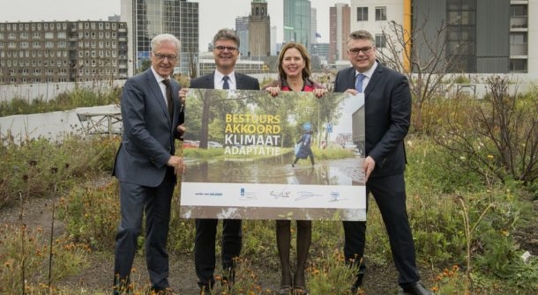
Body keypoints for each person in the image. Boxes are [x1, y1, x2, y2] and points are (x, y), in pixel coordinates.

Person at [334, 30, 432, 295]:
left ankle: (409, 281)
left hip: (386, 167)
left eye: (365, 48)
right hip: (352, 166)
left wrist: (374, 157)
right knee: (353, 225)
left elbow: (400, 125)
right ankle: (354, 278)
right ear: (348, 52)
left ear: (374, 50)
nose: (361, 54)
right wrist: (338, 103)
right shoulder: (342, 77)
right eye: (355, 50)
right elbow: (334, 118)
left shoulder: (395, 80)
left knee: (397, 223)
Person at [111, 33, 185, 295]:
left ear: (177, 59)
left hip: (162, 174)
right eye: (160, 55)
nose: (165, 60)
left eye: (171, 56)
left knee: (158, 232)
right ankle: (121, 287)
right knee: (130, 229)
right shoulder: (135, 84)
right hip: (136, 167)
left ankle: (160, 284)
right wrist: (168, 158)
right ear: (151, 56)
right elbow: (136, 130)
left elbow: (168, 128)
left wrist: (182, 129)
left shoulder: (175, 87)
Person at [188, 28, 260, 295]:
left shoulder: (251, 84)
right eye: (220, 47)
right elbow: (187, 125)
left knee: (233, 228)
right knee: (204, 228)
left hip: (238, 166)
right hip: (205, 167)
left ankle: (230, 279)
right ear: (213, 51)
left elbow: (260, 122)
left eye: (230, 48)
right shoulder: (197, 85)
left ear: (238, 53)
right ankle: (204, 283)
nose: (225, 51)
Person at [264, 42, 326, 295]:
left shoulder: (317, 89)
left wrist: (328, 97)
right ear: (281, 63)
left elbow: (336, 112)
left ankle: (300, 273)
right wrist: (267, 97)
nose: (292, 62)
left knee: (304, 219)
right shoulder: (272, 89)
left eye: (296, 58)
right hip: (280, 155)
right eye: (287, 58)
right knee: (282, 219)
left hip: (306, 161)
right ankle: (285, 274)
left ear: (304, 62)